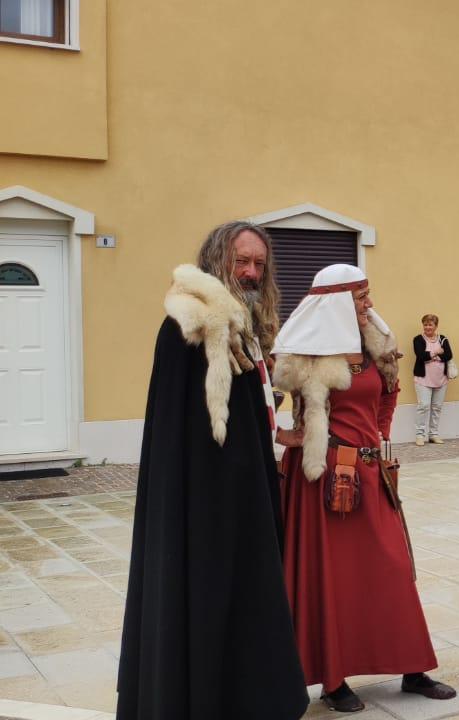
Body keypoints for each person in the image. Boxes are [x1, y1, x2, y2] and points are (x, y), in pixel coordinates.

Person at [117, 221, 308, 719]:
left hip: (243, 495)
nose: (249, 272)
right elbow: (180, 432)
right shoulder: (186, 324)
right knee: (204, 601)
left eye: (258, 264)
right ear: (216, 261)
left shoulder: (241, 326)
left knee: (247, 602)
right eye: (241, 261)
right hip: (200, 504)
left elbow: (247, 413)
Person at [273, 264, 455, 712]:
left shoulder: (374, 345)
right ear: (336, 302)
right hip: (322, 478)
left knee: (393, 566)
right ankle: (333, 681)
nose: (369, 304)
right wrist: (283, 435)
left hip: (369, 475)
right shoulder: (301, 354)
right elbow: (257, 398)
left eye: (368, 295)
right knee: (331, 579)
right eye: (360, 298)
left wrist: (376, 434)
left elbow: (389, 391)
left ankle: (412, 667)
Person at [411, 314, 452, 445]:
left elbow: (448, 354)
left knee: (437, 407)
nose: (427, 327)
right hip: (423, 379)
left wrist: (436, 357)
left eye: (430, 325)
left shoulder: (443, 339)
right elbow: (421, 355)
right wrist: (436, 352)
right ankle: (419, 435)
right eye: (425, 324)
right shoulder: (418, 339)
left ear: (435, 326)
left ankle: (433, 434)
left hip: (441, 379)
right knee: (423, 406)